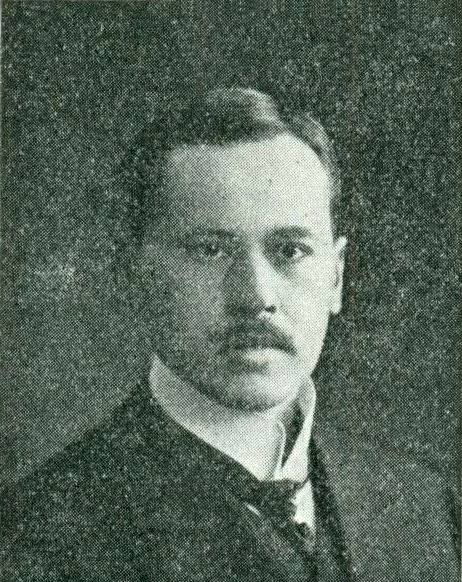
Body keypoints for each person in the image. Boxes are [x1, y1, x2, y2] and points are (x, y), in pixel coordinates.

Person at [1, 87, 459, 581]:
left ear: (336, 277)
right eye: (211, 250)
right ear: (138, 275)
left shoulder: (421, 507)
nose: (255, 295)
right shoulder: (40, 534)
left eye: (290, 250)